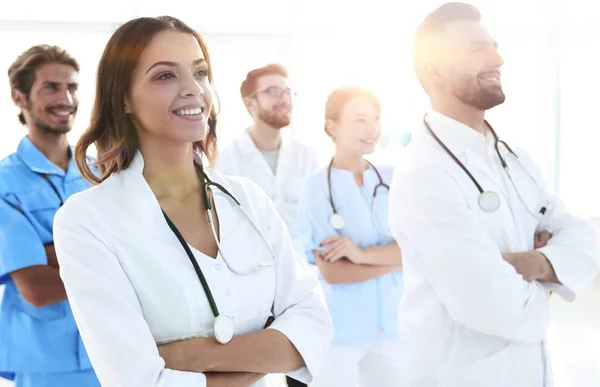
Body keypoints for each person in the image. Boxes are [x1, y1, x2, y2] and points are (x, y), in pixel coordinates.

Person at [51, 16, 333, 387]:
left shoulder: (247, 199)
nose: (194, 90)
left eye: (200, 73)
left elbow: (313, 325)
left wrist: (190, 356)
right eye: (165, 76)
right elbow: (136, 380)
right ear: (123, 97)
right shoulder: (87, 220)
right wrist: (267, 349)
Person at [388, 3, 600, 387]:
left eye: (494, 45)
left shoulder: (512, 156)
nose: (497, 58)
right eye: (476, 49)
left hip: (530, 372)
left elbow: (585, 240)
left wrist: (531, 265)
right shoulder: (424, 174)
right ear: (433, 70)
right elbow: (491, 303)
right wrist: (554, 272)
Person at [0, 45, 100, 387]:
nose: (66, 98)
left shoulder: (102, 173)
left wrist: (50, 253)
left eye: (72, 87)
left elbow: (143, 253)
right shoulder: (4, 183)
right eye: (51, 87)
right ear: (19, 97)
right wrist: (108, 262)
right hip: (45, 364)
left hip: (111, 350)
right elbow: (36, 288)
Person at [297, 87, 403, 387]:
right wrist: (397, 261)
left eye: (376, 119)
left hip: (396, 327)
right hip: (341, 332)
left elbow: (418, 248)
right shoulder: (315, 189)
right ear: (332, 126)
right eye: (359, 120)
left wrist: (361, 255)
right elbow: (334, 272)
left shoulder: (395, 179)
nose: (372, 129)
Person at [216, 64, 318, 255]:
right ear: (250, 103)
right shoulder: (225, 161)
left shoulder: (307, 157)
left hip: (303, 266)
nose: (286, 100)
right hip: (250, 265)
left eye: (288, 92)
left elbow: (314, 219)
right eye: (274, 92)